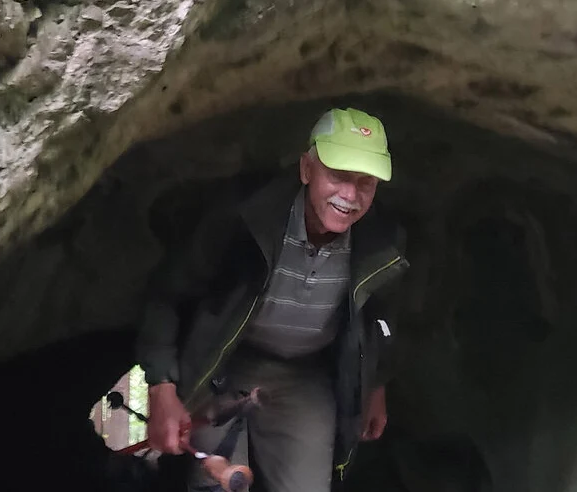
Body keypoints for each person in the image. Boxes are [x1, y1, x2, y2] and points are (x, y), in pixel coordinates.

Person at [135, 107, 411, 491]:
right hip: (222, 363)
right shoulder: (243, 217)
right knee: (216, 486)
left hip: (304, 374)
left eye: (366, 182)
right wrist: (161, 387)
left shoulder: (382, 241)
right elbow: (167, 293)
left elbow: (381, 318)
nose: (350, 195)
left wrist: (376, 387)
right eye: (338, 176)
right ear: (306, 170)